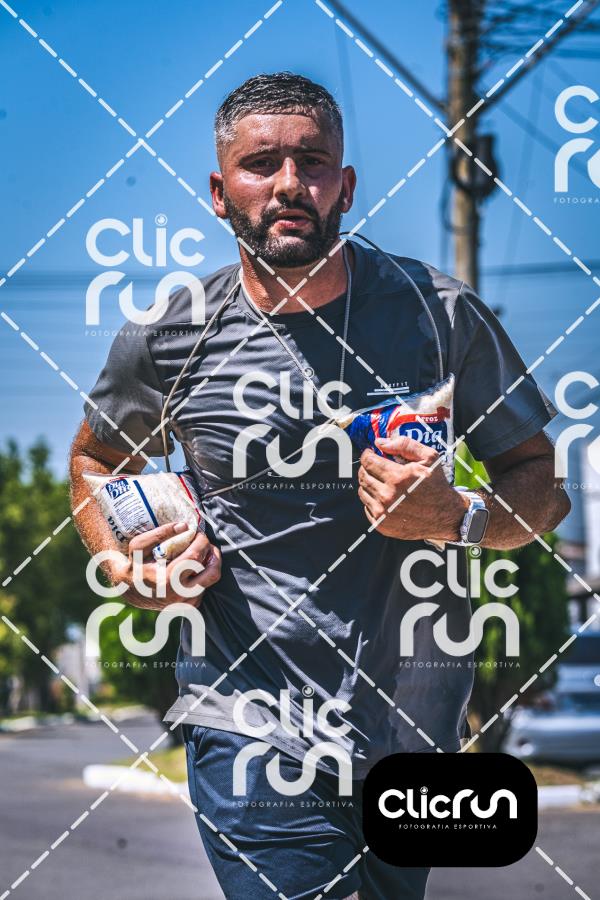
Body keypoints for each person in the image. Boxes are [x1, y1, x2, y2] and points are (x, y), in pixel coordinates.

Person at [69, 72, 570, 900]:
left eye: (312, 162)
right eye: (260, 163)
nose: (289, 184)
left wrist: (460, 517)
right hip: (248, 721)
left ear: (346, 185)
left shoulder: (438, 316)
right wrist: (130, 566)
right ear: (219, 193)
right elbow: (96, 463)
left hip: (412, 729)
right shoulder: (169, 337)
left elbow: (543, 487)